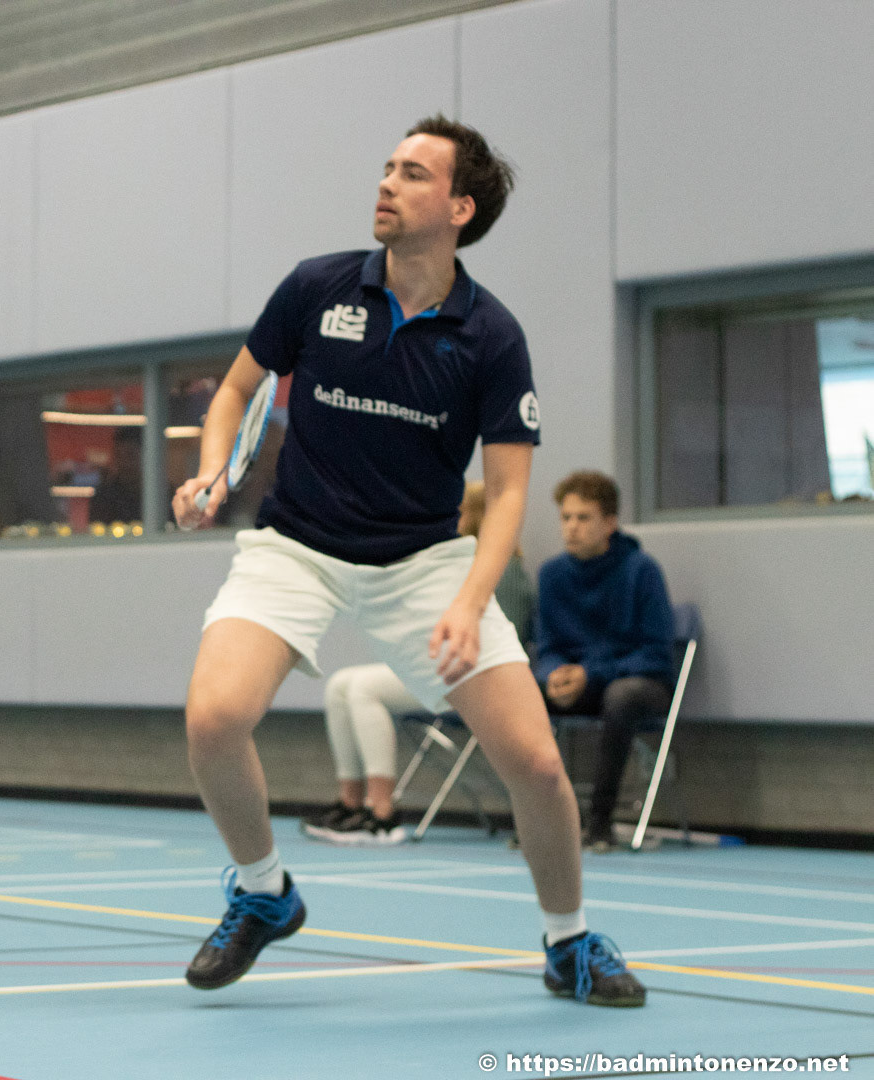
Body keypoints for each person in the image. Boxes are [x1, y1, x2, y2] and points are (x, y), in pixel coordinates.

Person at [171, 115, 644, 1006]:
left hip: (424, 559)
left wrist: (469, 600)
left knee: (538, 764)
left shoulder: (491, 335)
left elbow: (508, 492)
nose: (387, 182)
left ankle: (569, 942)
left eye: (414, 173)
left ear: (460, 208)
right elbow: (234, 391)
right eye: (388, 166)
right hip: (298, 545)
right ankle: (264, 892)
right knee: (214, 717)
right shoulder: (316, 287)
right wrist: (210, 471)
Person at [300, 480, 536, 844]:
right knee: (340, 684)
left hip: (468, 679)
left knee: (363, 689)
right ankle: (351, 803)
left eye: (459, 511)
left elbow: (505, 640)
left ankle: (382, 813)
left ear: (475, 517)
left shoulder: (503, 572)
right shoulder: (447, 566)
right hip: (435, 668)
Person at [534, 470, 675, 853]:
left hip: (638, 682)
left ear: (610, 523)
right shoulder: (551, 575)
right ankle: (542, 819)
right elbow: (546, 647)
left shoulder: (642, 571)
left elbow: (655, 653)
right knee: (523, 693)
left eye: (583, 518)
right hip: (576, 684)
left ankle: (599, 823)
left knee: (621, 696)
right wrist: (552, 675)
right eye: (566, 517)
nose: (572, 527)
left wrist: (591, 674)